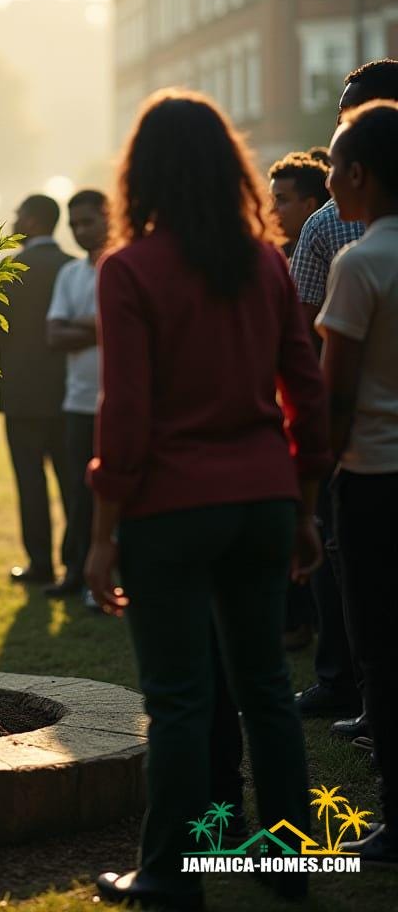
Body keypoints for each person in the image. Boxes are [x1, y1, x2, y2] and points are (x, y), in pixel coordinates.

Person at [87, 90, 329, 909]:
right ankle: (291, 864)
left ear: (141, 174)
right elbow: (306, 387)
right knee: (266, 690)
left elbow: (124, 413)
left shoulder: (130, 270)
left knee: (180, 698)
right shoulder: (265, 262)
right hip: (261, 498)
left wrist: (101, 532)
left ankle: (169, 875)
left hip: (171, 507)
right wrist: (299, 506)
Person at [289, 59, 398, 724]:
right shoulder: (327, 226)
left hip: (364, 452)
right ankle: (343, 680)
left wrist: (316, 455)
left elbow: (316, 353)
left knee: (368, 596)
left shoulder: (357, 255)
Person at [319, 99, 398, 864]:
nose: (330, 181)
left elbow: (333, 396)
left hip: (373, 478)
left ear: (361, 175)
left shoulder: (360, 261)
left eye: (335, 167)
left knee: (380, 644)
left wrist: (315, 478)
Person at [267, 151, 330, 650]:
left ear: (312, 202)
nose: (275, 211)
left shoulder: (306, 251)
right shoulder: (278, 256)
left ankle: (302, 621)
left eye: (284, 200)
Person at [0, 194, 73, 587]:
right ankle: (74, 562)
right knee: (71, 481)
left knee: (31, 484)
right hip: (66, 391)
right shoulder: (72, 267)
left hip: (22, 393)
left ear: (32, 221)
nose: (13, 221)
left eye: (17, 215)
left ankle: (40, 563)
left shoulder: (13, 270)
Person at [44, 189, 108, 606]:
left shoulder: (120, 267)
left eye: (88, 221)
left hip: (115, 400)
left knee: (107, 493)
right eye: (75, 224)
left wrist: (80, 328)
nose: (81, 230)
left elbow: (126, 325)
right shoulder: (69, 273)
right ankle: (76, 571)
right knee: (75, 491)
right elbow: (53, 335)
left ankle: (100, 575)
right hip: (77, 400)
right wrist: (100, 326)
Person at [268, 150, 330, 257]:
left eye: (282, 200)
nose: (272, 209)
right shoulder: (280, 251)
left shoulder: (330, 250)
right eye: (272, 200)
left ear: (309, 205)